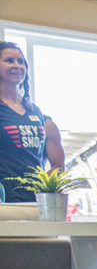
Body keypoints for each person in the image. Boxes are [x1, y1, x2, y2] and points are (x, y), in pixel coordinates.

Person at [0, 41, 64, 203]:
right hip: (5, 203)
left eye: (21, 61)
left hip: (36, 204)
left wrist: (44, 188)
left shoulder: (38, 115)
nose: (17, 65)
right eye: (9, 60)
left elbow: (58, 165)